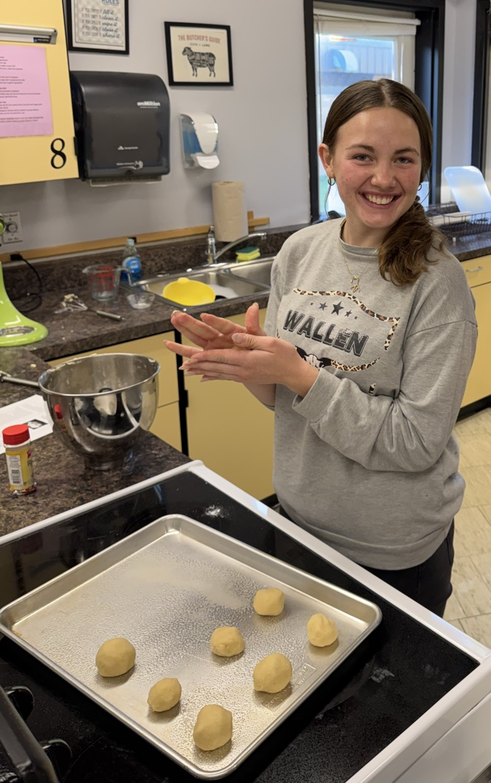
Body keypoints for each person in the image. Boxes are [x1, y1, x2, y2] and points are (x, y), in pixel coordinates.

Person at [166, 78, 477, 617]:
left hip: (392, 549)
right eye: (363, 156)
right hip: (300, 521)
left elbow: (415, 441)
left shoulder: (437, 281)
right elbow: (288, 403)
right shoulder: (300, 252)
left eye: (403, 159)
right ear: (328, 159)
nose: (383, 178)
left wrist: (300, 373)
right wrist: (254, 364)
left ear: (422, 167)